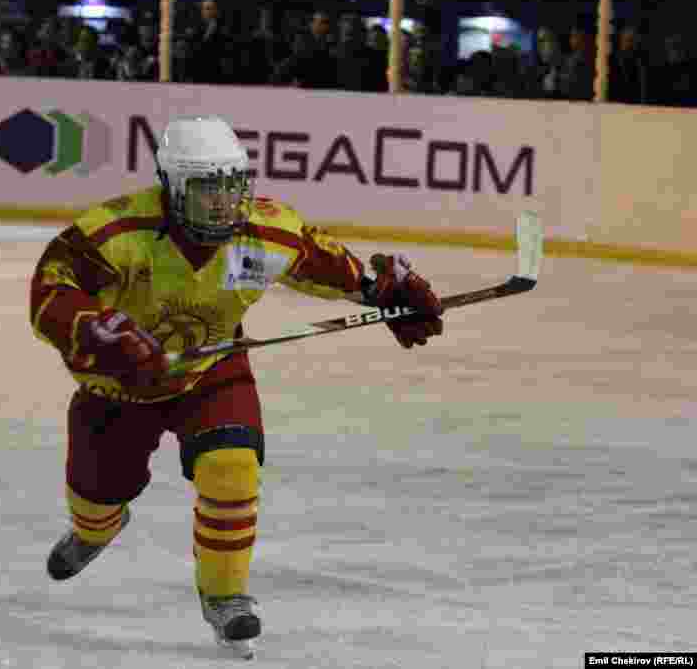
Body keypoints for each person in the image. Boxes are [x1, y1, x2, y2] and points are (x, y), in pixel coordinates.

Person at [29, 115, 444, 657]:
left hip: (213, 367)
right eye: (207, 189)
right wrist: (100, 332)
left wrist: (388, 292)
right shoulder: (112, 232)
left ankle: (226, 595)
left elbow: (342, 273)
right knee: (95, 495)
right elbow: (47, 295)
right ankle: (95, 528)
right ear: (172, 188)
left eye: (233, 184)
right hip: (118, 387)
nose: (225, 201)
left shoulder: (268, 229)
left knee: (232, 469)